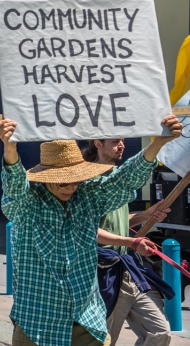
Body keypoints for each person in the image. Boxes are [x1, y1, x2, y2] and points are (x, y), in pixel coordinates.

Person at [0, 115, 181, 346]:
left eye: (75, 180)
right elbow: (14, 186)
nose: (71, 187)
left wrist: (158, 143)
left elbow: (125, 179)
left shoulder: (87, 196)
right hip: (38, 323)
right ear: (45, 179)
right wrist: (10, 148)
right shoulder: (26, 205)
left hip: (87, 321)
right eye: (63, 182)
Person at [81, 138, 173, 346]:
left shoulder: (118, 178)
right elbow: (87, 230)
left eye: (123, 140)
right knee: (102, 341)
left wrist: (145, 215)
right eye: (115, 141)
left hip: (128, 270)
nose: (121, 145)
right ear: (98, 143)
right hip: (101, 274)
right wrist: (131, 242)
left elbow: (118, 219)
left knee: (159, 332)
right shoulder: (85, 181)